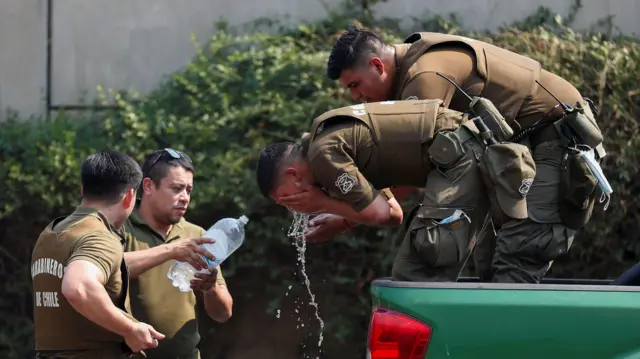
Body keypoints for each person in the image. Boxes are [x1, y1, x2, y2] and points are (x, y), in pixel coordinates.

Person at [319, 26, 607, 283]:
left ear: (376, 65)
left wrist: (349, 217)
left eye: (354, 85)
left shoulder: (424, 78)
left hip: (558, 139)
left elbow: (410, 169)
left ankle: (500, 341)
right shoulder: (412, 64)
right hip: (516, 151)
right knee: (490, 258)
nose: (355, 97)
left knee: (522, 254)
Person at [257, 99, 536, 283]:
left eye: (286, 199)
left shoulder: (323, 155)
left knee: (420, 270)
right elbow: (392, 213)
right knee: (486, 270)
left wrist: (323, 203)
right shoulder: (325, 142)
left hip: (463, 157)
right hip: (468, 154)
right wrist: (342, 220)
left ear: (293, 174)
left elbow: (380, 216)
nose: (292, 207)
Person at [31, 150, 165, 359]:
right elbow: (79, 287)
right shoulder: (100, 236)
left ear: (83, 189)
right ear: (129, 196)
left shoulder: (51, 233)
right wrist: (129, 329)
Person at [121, 148, 233, 359]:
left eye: (188, 190)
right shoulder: (121, 228)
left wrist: (210, 289)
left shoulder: (197, 235)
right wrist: (171, 250)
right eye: (176, 188)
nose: (184, 198)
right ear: (148, 186)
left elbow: (223, 314)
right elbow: (108, 268)